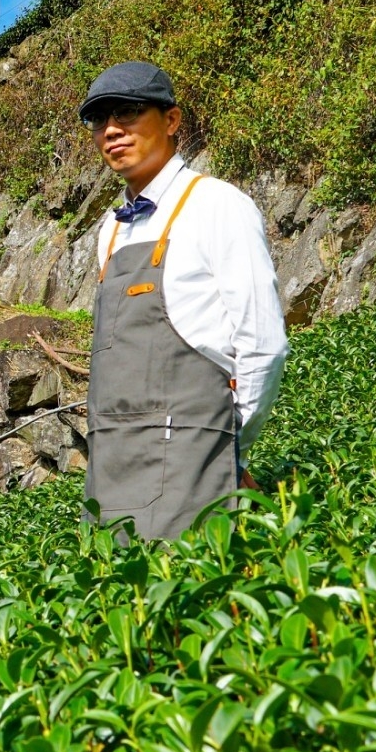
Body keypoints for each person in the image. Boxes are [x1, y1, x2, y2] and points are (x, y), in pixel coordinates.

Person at [78, 61, 288, 542]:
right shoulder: (109, 232)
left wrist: (227, 448)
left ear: (171, 121)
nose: (112, 130)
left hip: (192, 457)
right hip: (112, 463)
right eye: (99, 119)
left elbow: (262, 344)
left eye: (128, 112)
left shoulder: (217, 204)